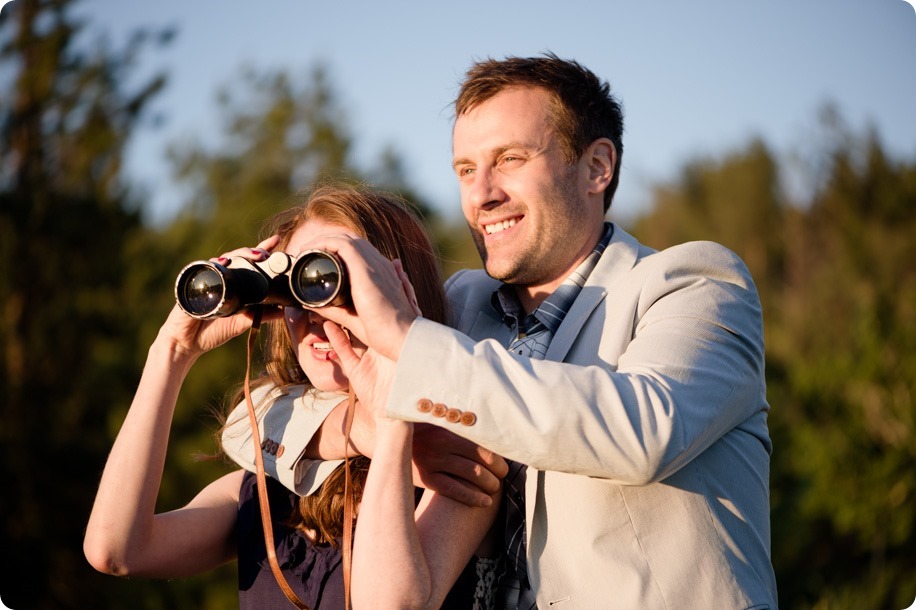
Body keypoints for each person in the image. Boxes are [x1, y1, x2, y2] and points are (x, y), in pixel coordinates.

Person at [299, 54, 780, 609]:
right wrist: (376, 436)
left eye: (510, 159)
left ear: (598, 167)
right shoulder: (459, 304)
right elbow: (257, 419)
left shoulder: (695, 282)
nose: (481, 195)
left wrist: (407, 343)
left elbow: (641, 430)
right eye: (464, 170)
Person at [83, 183, 504, 609]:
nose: (317, 318)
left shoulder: (454, 466)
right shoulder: (271, 487)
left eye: (331, 283)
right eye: (297, 289)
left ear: (400, 291)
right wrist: (171, 353)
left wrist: (395, 406)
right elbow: (116, 550)